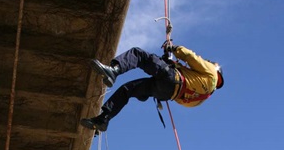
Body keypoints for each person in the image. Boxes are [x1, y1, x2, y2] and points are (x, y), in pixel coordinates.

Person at [80, 41, 224, 132]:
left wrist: (173, 48)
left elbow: (191, 57)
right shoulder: (202, 98)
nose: (210, 61)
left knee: (138, 55)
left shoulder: (212, 72)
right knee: (128, 90)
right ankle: (103, 119)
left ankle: (114, 70)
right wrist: (169, 63)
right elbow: (183, 100)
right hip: (165, 93)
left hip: (171, 78)